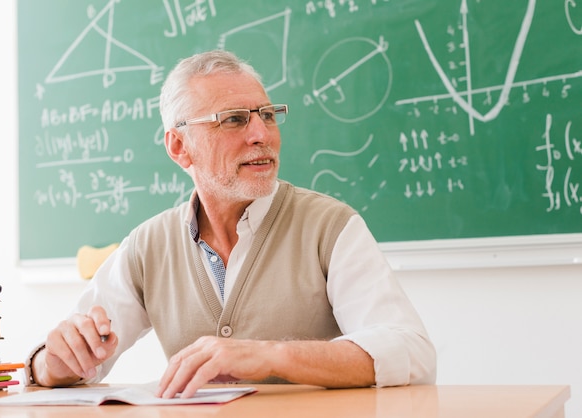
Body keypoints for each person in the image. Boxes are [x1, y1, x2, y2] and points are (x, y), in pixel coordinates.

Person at [26, 50, 436, 398]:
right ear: (179, 147)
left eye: (268, 115)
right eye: (235, 119)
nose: (262, 134)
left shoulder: (330, 226)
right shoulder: (148, 246)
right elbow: (68, 359)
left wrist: (269, 355)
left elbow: (410, 351)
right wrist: (52, 364)